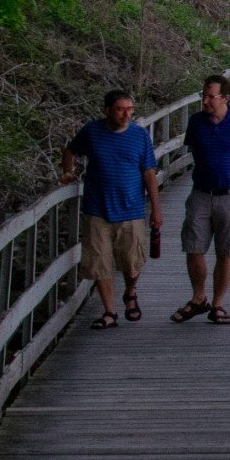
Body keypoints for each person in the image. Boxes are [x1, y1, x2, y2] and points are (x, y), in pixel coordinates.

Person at [61, 90, 162, 328]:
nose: (126, 114)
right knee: (99, 263)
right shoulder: (92, 131)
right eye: (120, 109)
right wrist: (67, 171)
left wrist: (156, 209)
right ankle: (110, 312)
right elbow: (69, 150)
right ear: (107, 110)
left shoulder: (139, 135)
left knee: (132, 262)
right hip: (97, 209)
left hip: (131, 208)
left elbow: (149, 172)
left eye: (130, 109)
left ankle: (130, 292)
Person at [171, 74, 230, 326]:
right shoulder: (196, 122)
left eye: (211, 96)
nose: (206, 101)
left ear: (225, 98)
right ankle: (199, 297)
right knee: (193, 247)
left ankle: (218, 304)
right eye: (204, 95)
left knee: (226, 250)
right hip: (200, 193)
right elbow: (194, 150)